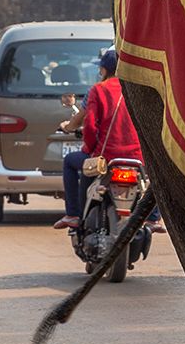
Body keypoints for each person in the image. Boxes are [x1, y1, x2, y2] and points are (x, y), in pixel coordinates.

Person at [56, 49, 141, 231]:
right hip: (137, 158)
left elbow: (90, 126)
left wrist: (89, 150)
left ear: (103, 70)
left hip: (106, 157)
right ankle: (153, 219)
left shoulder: (99, 90)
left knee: (70, 162)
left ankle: (73, 214)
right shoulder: (137, 88)